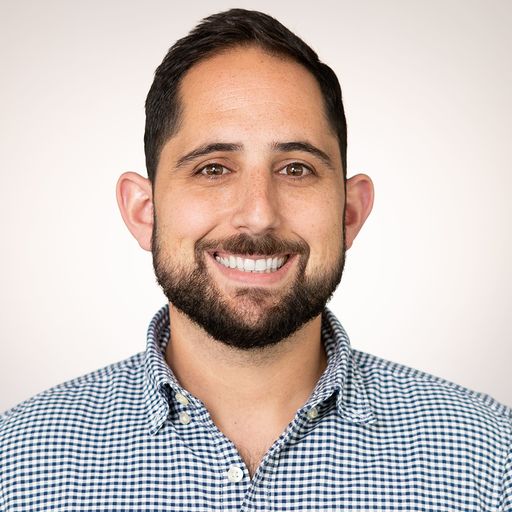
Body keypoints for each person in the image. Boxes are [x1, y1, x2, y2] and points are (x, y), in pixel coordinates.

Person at [1, 8, 510, 511]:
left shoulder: (492, 460)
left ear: (350, 213)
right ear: (144, 211)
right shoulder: (15, 464)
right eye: (213, 168)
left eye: (296, 168)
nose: (259, 215)